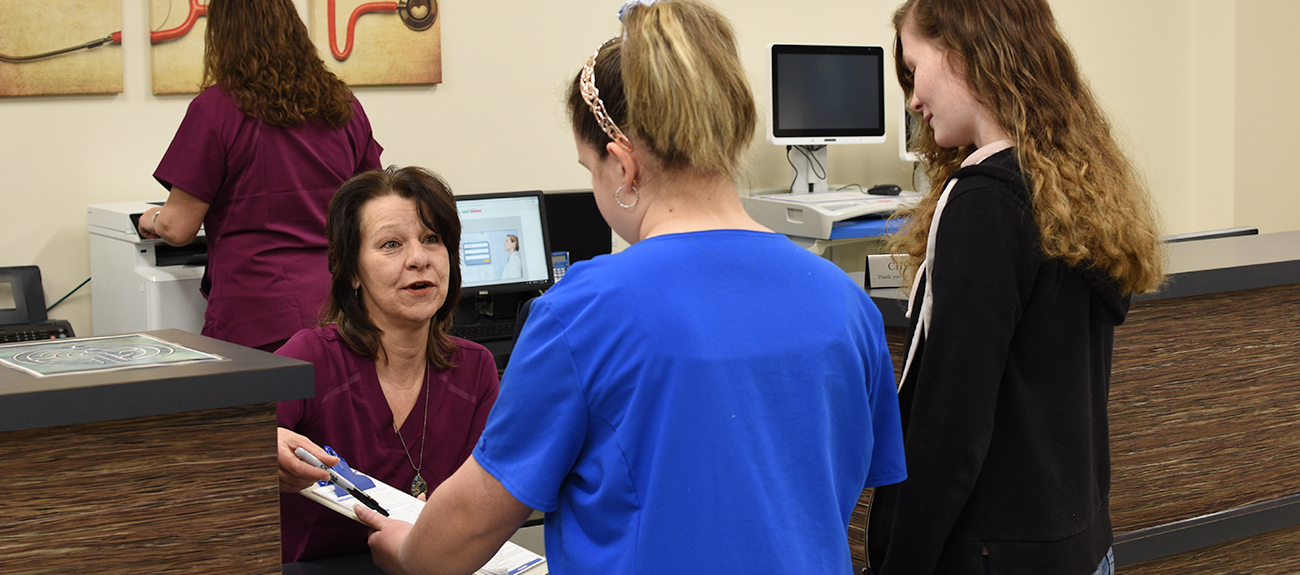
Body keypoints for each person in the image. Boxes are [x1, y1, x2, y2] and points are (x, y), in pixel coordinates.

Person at [354, 1, 906, 574]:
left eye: (589, 169)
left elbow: (470, 524)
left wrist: (408, 550)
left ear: (624, 165)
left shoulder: (583, 310)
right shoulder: (847, 305)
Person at [865, 1, 1165, 574]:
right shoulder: (1069, 192)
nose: (912, 99)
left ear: (963, 50)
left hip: (992, 554)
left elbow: (950, 427)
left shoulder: (984, 205)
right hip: (1077, 543)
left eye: (914, 69)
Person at [275, 166, 499, 563]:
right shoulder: (311, 357)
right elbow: (225, 447)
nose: (418, 258)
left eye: (432, 239)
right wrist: (264, 445)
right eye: (391, 244)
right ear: (352, 273)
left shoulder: (475, 368)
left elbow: (483, 501)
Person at [138, 0, 383, 352]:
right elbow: (373, 204)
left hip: (258, 315)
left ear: (222, 36)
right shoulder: (342, 104)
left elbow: (178, 229)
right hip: (341, 308)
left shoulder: (215, 109)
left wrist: (154, 218)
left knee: (264, 408)